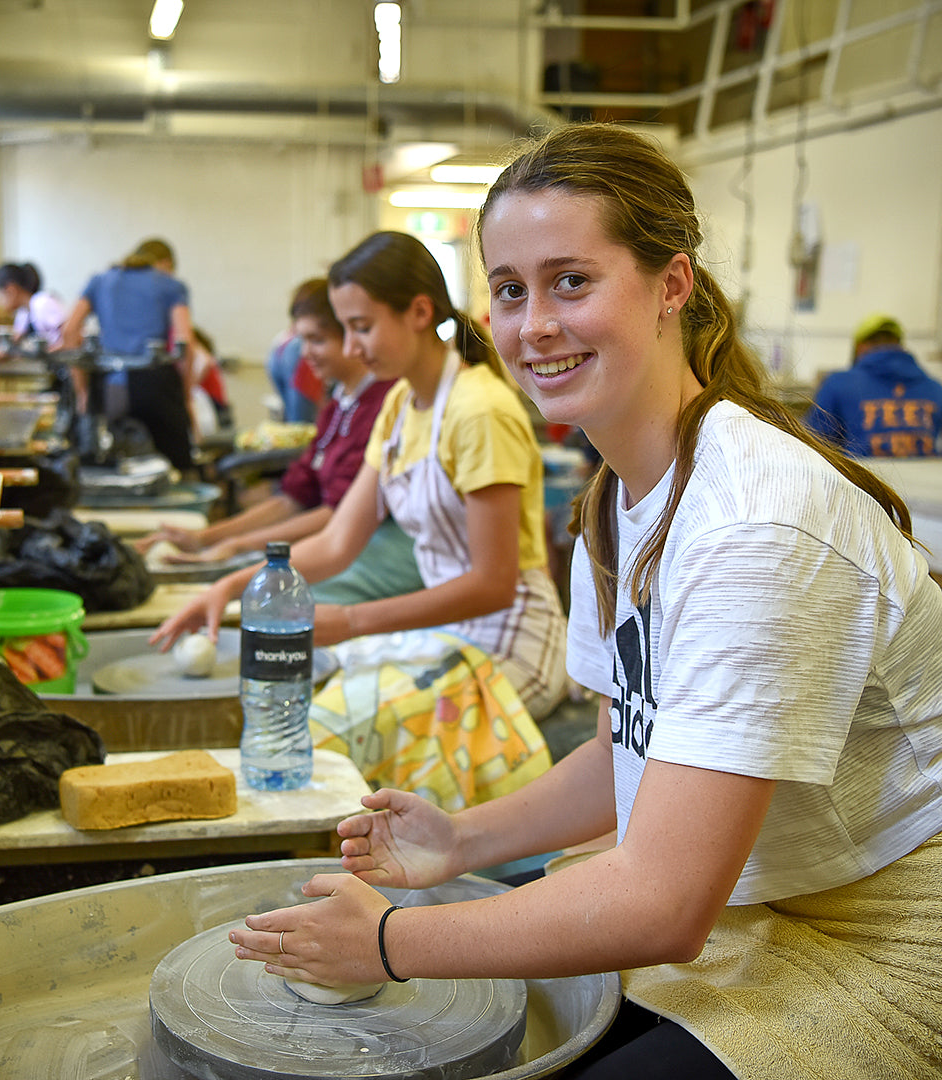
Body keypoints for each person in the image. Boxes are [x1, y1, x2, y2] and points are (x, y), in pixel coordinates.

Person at [225, 124, 942, 1079]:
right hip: (762, 900)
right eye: (511, 290)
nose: (533, 326)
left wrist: (391, 939)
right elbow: (626, 745)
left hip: (886, 936)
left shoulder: (751, 523)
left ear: (672, 286)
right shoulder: (616, 497)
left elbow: (664, 904)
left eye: (573, 281)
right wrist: (459, 838)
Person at [153, 229, 568, 725]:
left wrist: (352, 622)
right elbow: (337, 543)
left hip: (513, 641)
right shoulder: (398, 407)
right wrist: (235, 585)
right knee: (310, 686)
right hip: (453, 632)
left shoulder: (478, 410)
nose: (351, 346)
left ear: (418, 313)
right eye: (345, 329)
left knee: (341, 721)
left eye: (361, 327)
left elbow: (492, 585)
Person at [136, 278, 423, 604]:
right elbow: (294, 497)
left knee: (272, 600)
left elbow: (338, 517)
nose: (306, 354)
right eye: (302, 340)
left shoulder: (386, 404)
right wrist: (205, 539)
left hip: (378, 546)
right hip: (340, 540)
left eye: (317, 340)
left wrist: (237, 547)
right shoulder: (337, 407)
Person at [61, 237, 194, 471]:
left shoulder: (99, 282)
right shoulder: (170, 285)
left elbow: (70, 331)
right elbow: (185, 342)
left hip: (111, 386)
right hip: (156, 386)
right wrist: (185, 396)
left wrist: (82, 391)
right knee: (176, 467)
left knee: (111, 465)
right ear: (165, 263)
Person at [804, 312, 942, 457]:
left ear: (860, 347)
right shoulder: (935, 388)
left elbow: (814, 443)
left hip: (863, 478)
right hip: (926, 478)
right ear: (899, 345)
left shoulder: (837, 384)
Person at [0, 262, 66, 356]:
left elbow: (70, 334)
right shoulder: (23, 313)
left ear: (11, 290)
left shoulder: (42, 303)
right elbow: (11, 344)